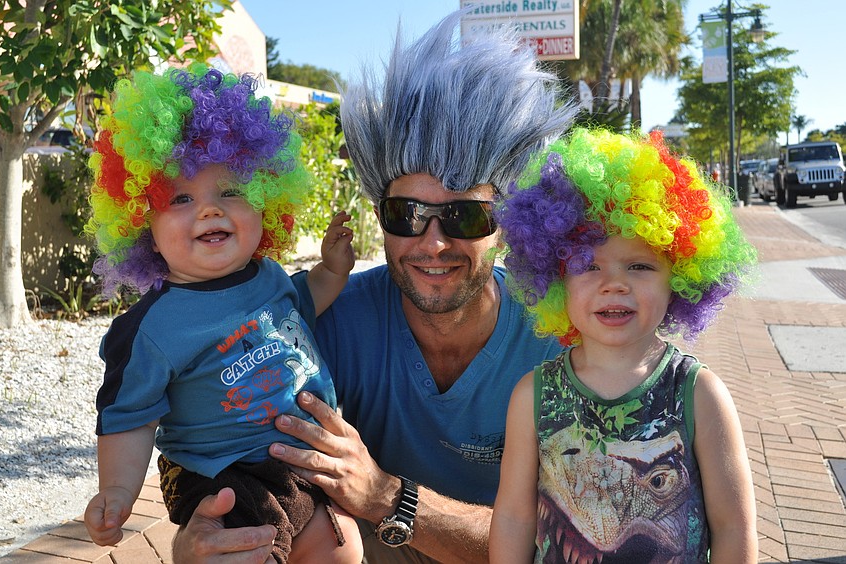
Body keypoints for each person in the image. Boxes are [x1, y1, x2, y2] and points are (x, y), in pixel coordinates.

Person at [171, 10, 577, 564]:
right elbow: (199, 438)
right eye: (407, 214)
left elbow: (570, 541)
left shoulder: (560, 344)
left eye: (465, 216)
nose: (433, 243)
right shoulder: (321, 324)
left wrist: (388, 498)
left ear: (508, 221)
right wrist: (197, 537)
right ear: (379, 216)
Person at [81, 65, 362, 563]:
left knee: (343, 547)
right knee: (249, 549)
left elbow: (305, 301)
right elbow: (129, 417)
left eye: (230, 191)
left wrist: (333, 270)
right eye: (181, 199)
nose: (209, 210)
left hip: (303, 461)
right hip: (226, 473)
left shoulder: (269, 276)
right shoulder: (153, 328)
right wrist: (119, 492)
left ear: (265, 203)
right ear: (143, 227)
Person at [489, 128, 759, 563]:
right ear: (555, 279)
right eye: (587, 265)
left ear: (680, 278)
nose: (614, 284)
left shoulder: (700, 395)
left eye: (639, 266)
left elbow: (733, 527)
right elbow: (513, 518)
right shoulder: (533, 396)